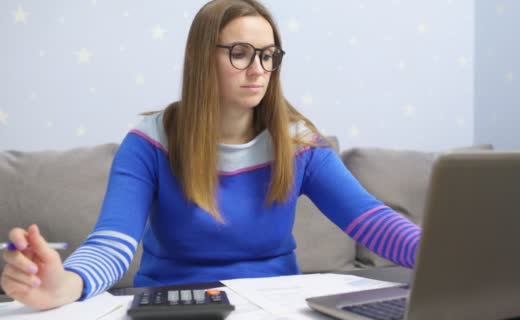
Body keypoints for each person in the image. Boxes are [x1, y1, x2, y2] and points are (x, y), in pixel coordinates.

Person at [1, 0, 421, 310]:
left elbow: (371, 221)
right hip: (173, 306)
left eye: (268, 55)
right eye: (240, 53)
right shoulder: (149, 143)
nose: (258, 69)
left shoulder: (300, 143)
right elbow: (113, 242)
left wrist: (446, 256)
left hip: (276, 306)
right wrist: (67, 282)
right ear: (200, 58)